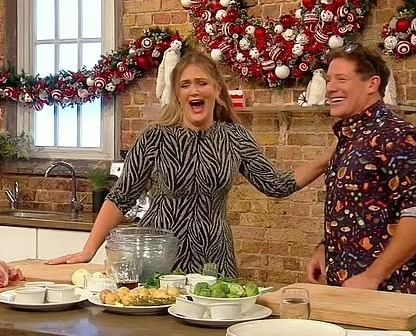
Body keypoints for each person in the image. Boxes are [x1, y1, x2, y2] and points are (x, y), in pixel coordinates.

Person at [47, 50, 335, 277]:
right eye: (185, 85)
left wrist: (327, 158)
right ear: (178, 94)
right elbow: (121, 198)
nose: (194, 91)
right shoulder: (155, 137)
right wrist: (88, 251)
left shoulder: (235, 137)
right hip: (157, 260)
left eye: (201, 83)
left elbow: (276, 184)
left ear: (217, 90)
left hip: (215, 260)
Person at [306, 43, 416, 295]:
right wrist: (325, 247)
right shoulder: (350, 138)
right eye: (329, 80)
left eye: (341, 79)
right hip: (349, 286)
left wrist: (373, 276)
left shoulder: (399, 136)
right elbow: (355, 212)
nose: (331, 87)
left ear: (372, 84)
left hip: (388, 291)